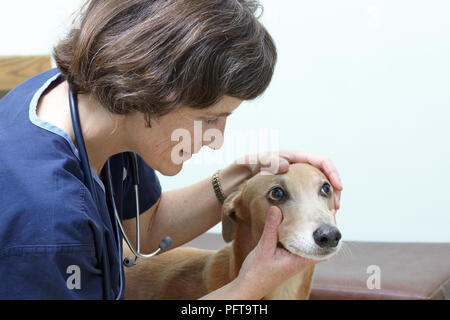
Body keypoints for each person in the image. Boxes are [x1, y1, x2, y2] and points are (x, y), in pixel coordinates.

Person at [0, 0, 342, 300]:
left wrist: (239, 176)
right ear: (148, 89)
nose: (216, 139)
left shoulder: (84, 103)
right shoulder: (46, 220)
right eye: (210, 119)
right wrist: (246, 290)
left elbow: (145, 230)